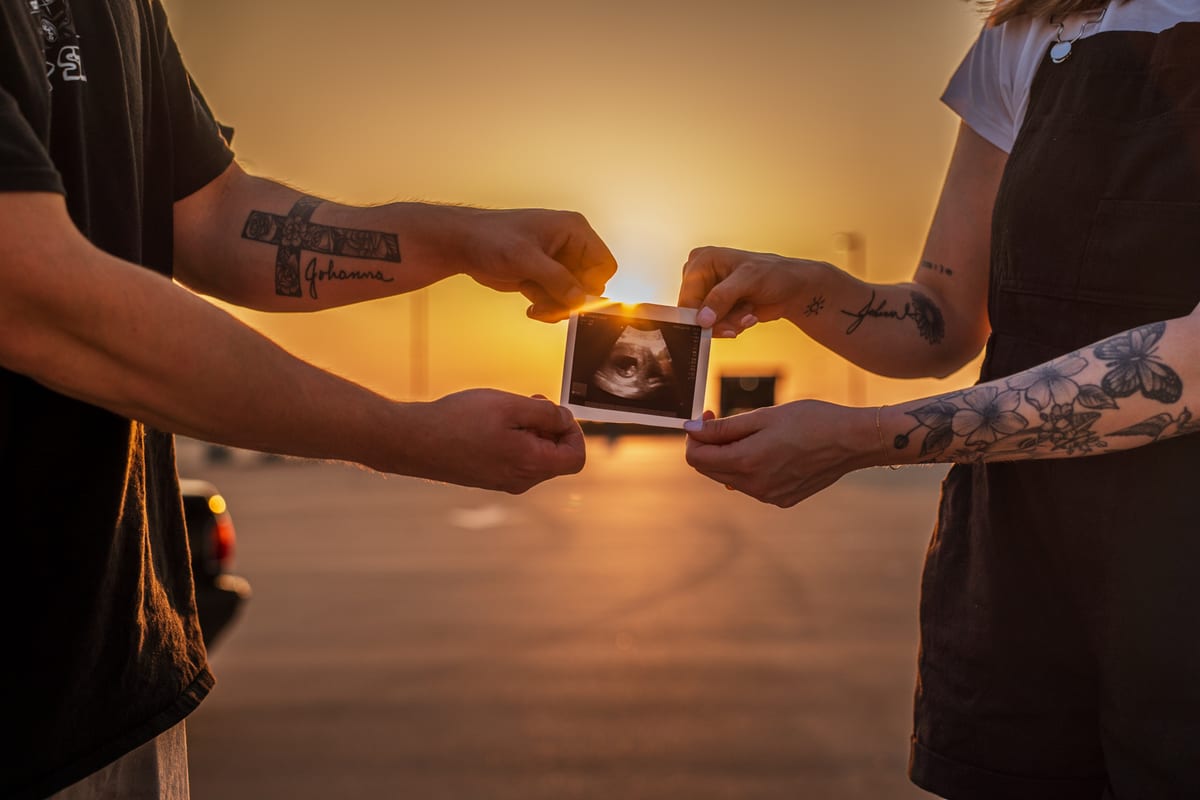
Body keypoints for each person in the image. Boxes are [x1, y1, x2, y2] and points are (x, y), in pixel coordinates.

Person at [0, 2, 616, 798]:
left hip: (110, 685)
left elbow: (215, 214)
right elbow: (35, 293)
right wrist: (407, 435)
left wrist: (459, 237)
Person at [678, 0, 1200, 797]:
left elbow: (1190, 368)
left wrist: (866, 437)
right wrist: (809, 289)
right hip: (1020, 568)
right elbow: (947, 319)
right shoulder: (1025, 33)